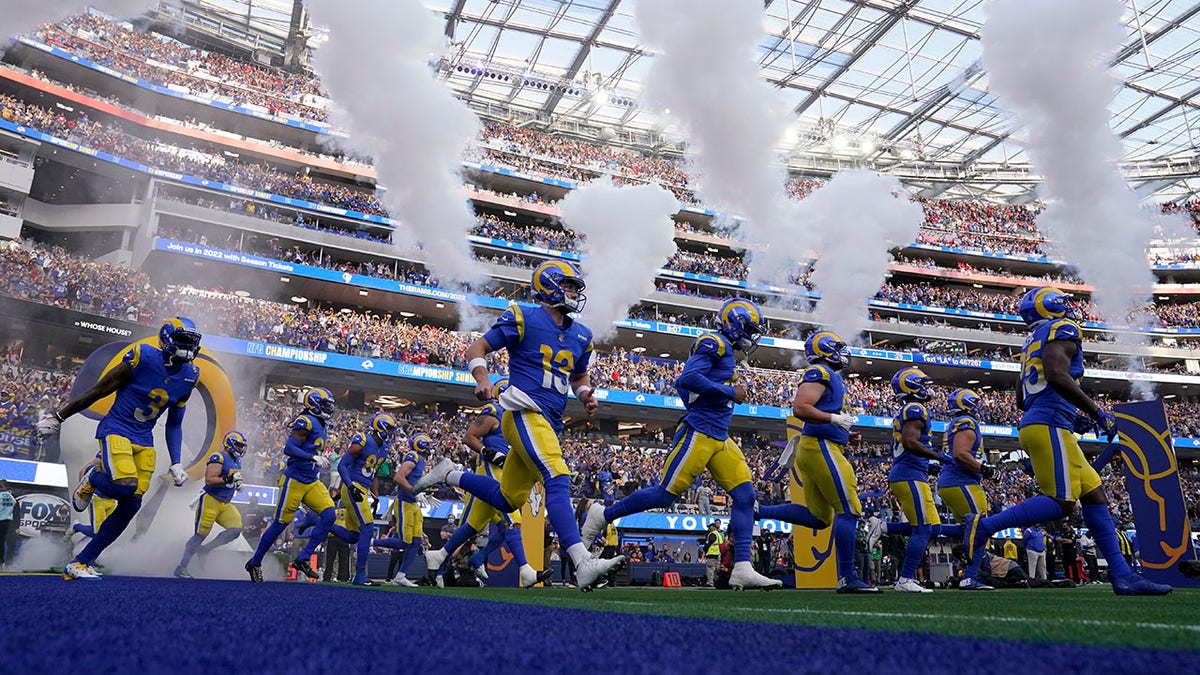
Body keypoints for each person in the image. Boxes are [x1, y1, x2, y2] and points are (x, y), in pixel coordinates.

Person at [413, 260, 625, 591]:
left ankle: (449, 474)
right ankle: (582, 561)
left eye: (574, 288)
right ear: (549, 285)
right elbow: (477, 347)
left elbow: (579, 374)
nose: (573, 293)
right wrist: (482, 376)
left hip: (549, 419)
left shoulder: (581, 335)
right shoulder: (524, 316)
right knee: (557, 477)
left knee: (507, 499)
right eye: (568, 285)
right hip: (524, 410)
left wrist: (585, 395)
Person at [962, 287, 1171, 595]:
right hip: (1048, 426)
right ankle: (986, 525)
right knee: (1061, 502)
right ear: (1055, 306)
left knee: (1095, 495)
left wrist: (1073, 416)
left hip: (1046, 423)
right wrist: (1096, 411)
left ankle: (1122, 575)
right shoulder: (1062, 328)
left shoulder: (1032, 340)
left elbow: (1023, 398)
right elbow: (1058, 375)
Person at [579, 298, 781, 590]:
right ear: (734, 324)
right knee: (664, 495)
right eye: (749, 328)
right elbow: (687, 378)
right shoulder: (714, 342)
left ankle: (742, 568)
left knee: (746, 497)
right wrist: (728, 390)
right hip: (699, 430)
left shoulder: (726, 352)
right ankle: (603, 514)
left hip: (720, 436)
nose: (751, 335)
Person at [38, 318, 202, 581]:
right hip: (117, 428)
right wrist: (59, 416)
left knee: (131, 504)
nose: (187, 347)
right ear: (167, 338)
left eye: (191, 341)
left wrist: (176, 461)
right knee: (125, 486)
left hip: (144, 438)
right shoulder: (143, 356)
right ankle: (92, 478)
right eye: (182, 340)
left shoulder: (190, 374)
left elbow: (174, 423)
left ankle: (80, 562)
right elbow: (100, 390)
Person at [757, 330, 880, 593]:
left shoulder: (830, 377)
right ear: (826, 349)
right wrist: (834, 420)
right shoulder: (821, 373)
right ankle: (847, 576)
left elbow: (822, 412)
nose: (842, 352)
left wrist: (845, 433)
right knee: (849, 510)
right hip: (820, 447)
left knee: (819, 517)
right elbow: (801, 408)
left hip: (820, 446)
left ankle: (759, 510)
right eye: (836, 347)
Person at [423, 379, 547, 589]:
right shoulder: (493, 411)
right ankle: (525, 570)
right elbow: (469, 437)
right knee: (512, 521)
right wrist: (487, 452)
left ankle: (453, 557)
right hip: (492, 471)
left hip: (507, 472)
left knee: (474, 527)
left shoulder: (517, 416)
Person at [245, 387, 352, 583]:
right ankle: (255, 562)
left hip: (311, 480)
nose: (330, 409)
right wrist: (312, 457)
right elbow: (289, 448)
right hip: (294, 480)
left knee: (329, 515)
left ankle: (303, 558)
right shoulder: (307, 422)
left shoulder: (321, 422)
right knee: (280, 524)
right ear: (315, 405)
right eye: (326, 405)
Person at [878, 366, 966, 593]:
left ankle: (884, 527)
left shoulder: (909, 408)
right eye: (923, 384)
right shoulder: (915, 408)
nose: (927, 388)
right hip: (908, 474)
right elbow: (910, 442)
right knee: (924, 527)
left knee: (933, 528)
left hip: (912, 473)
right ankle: (905, 579)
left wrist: (932, 464)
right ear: (913, 386)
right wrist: (938, 456)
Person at [174, 431, 247, 579]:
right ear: (230, 443)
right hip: (211, 500)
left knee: (235, 530)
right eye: (238, 445)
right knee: (200, 535)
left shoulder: (237, 460)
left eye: (241, 446)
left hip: (225, 503)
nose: (240, 449)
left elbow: (231, 477)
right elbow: (210, 480)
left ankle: (205, 550)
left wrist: (236, 483)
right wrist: (229, 479)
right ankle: (181, 567)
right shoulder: (218, 457)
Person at [336, 411, 395, 586]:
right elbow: (342, 465)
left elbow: (374, 474)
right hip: (352, 486)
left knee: (353, 536)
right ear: (380, 427)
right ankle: (360, 575)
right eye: (389, 429)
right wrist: (350, 485)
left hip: (363, 488)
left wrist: (375, 495)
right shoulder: (362, 440)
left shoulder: (384, 448)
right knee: (368, 528)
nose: (391, 433)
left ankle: (321, 523)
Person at [383, 432, 434, 587]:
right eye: (428, 445)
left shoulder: (421, 461)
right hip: (405, 502)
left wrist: (422, 493)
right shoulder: (413, 457)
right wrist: (414, 492)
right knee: (405, 542)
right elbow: (398, 478)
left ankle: (401, 576)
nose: (430, 448)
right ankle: (372, 542)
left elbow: (414, 482)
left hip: (413, 504)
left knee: (416, 541)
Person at [0, 480, 14, 567]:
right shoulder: (11, 497)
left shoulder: (0, 496)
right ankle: (1, 562)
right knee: (1, 542)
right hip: (6, 522)